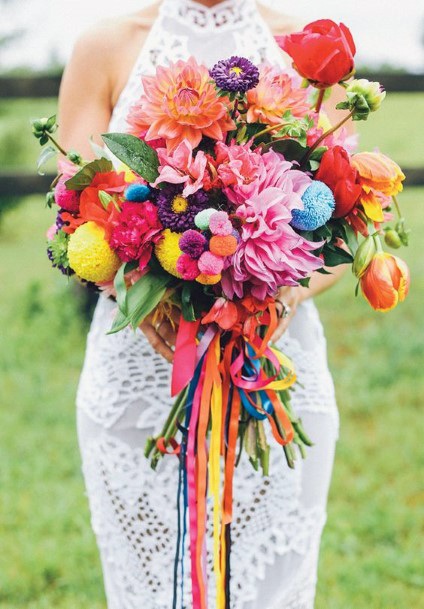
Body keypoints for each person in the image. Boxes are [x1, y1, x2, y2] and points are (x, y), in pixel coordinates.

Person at [58, 1, 350, 607]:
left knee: (272, 588)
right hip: (141, 375)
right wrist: (139, 293)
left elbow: (345, 219)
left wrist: (277, 290)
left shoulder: (306, 45)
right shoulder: (105, 45)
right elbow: (71, 213)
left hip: (272, 371)